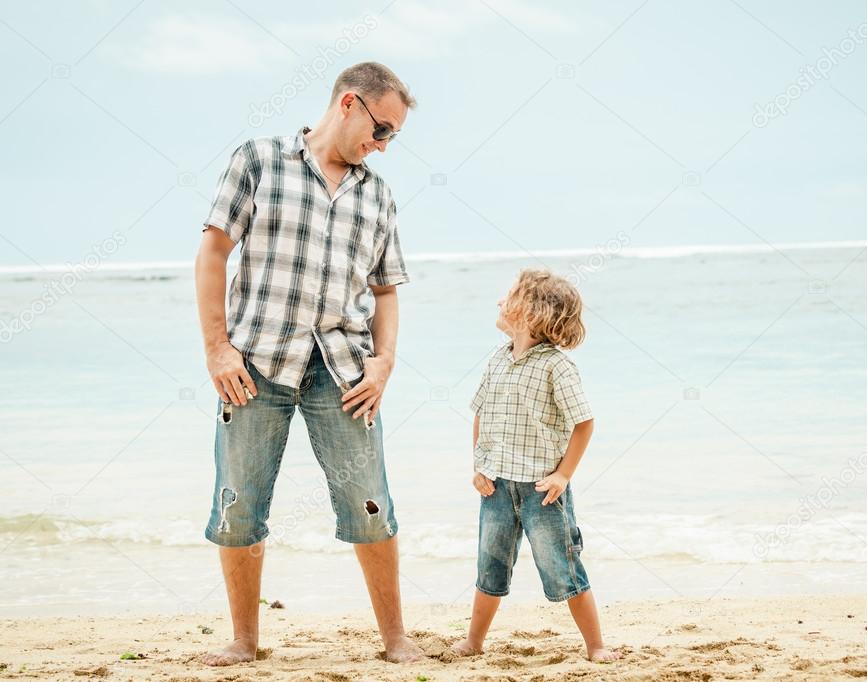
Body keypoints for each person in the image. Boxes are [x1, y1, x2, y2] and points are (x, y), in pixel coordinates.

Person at [194, 61, 423, 665]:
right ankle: (245, 640)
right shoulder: (259, 160)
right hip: (254, 363)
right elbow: (213, 253)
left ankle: (395, 639)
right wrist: (217, 348)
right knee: (239, 503)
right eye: (384, 130)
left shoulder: (377, 193)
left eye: (392, 136)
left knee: (369, 502)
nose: (384, 146)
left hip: (344, 370)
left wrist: (385, 362)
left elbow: (387, 289)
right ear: (349, 103)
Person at [450, 269, 620, 663]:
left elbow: (584, 422)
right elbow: (480, 414)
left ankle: (595, 645)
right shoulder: (497, 358)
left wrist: (563, 474)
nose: (498, 301)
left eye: (508, 295)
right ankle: (474, 640)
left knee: (563, 564)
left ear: (531, 312)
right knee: (490, 564)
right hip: (496, 486)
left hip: (542, 491)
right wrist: (479, 465)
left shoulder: (555, 366)